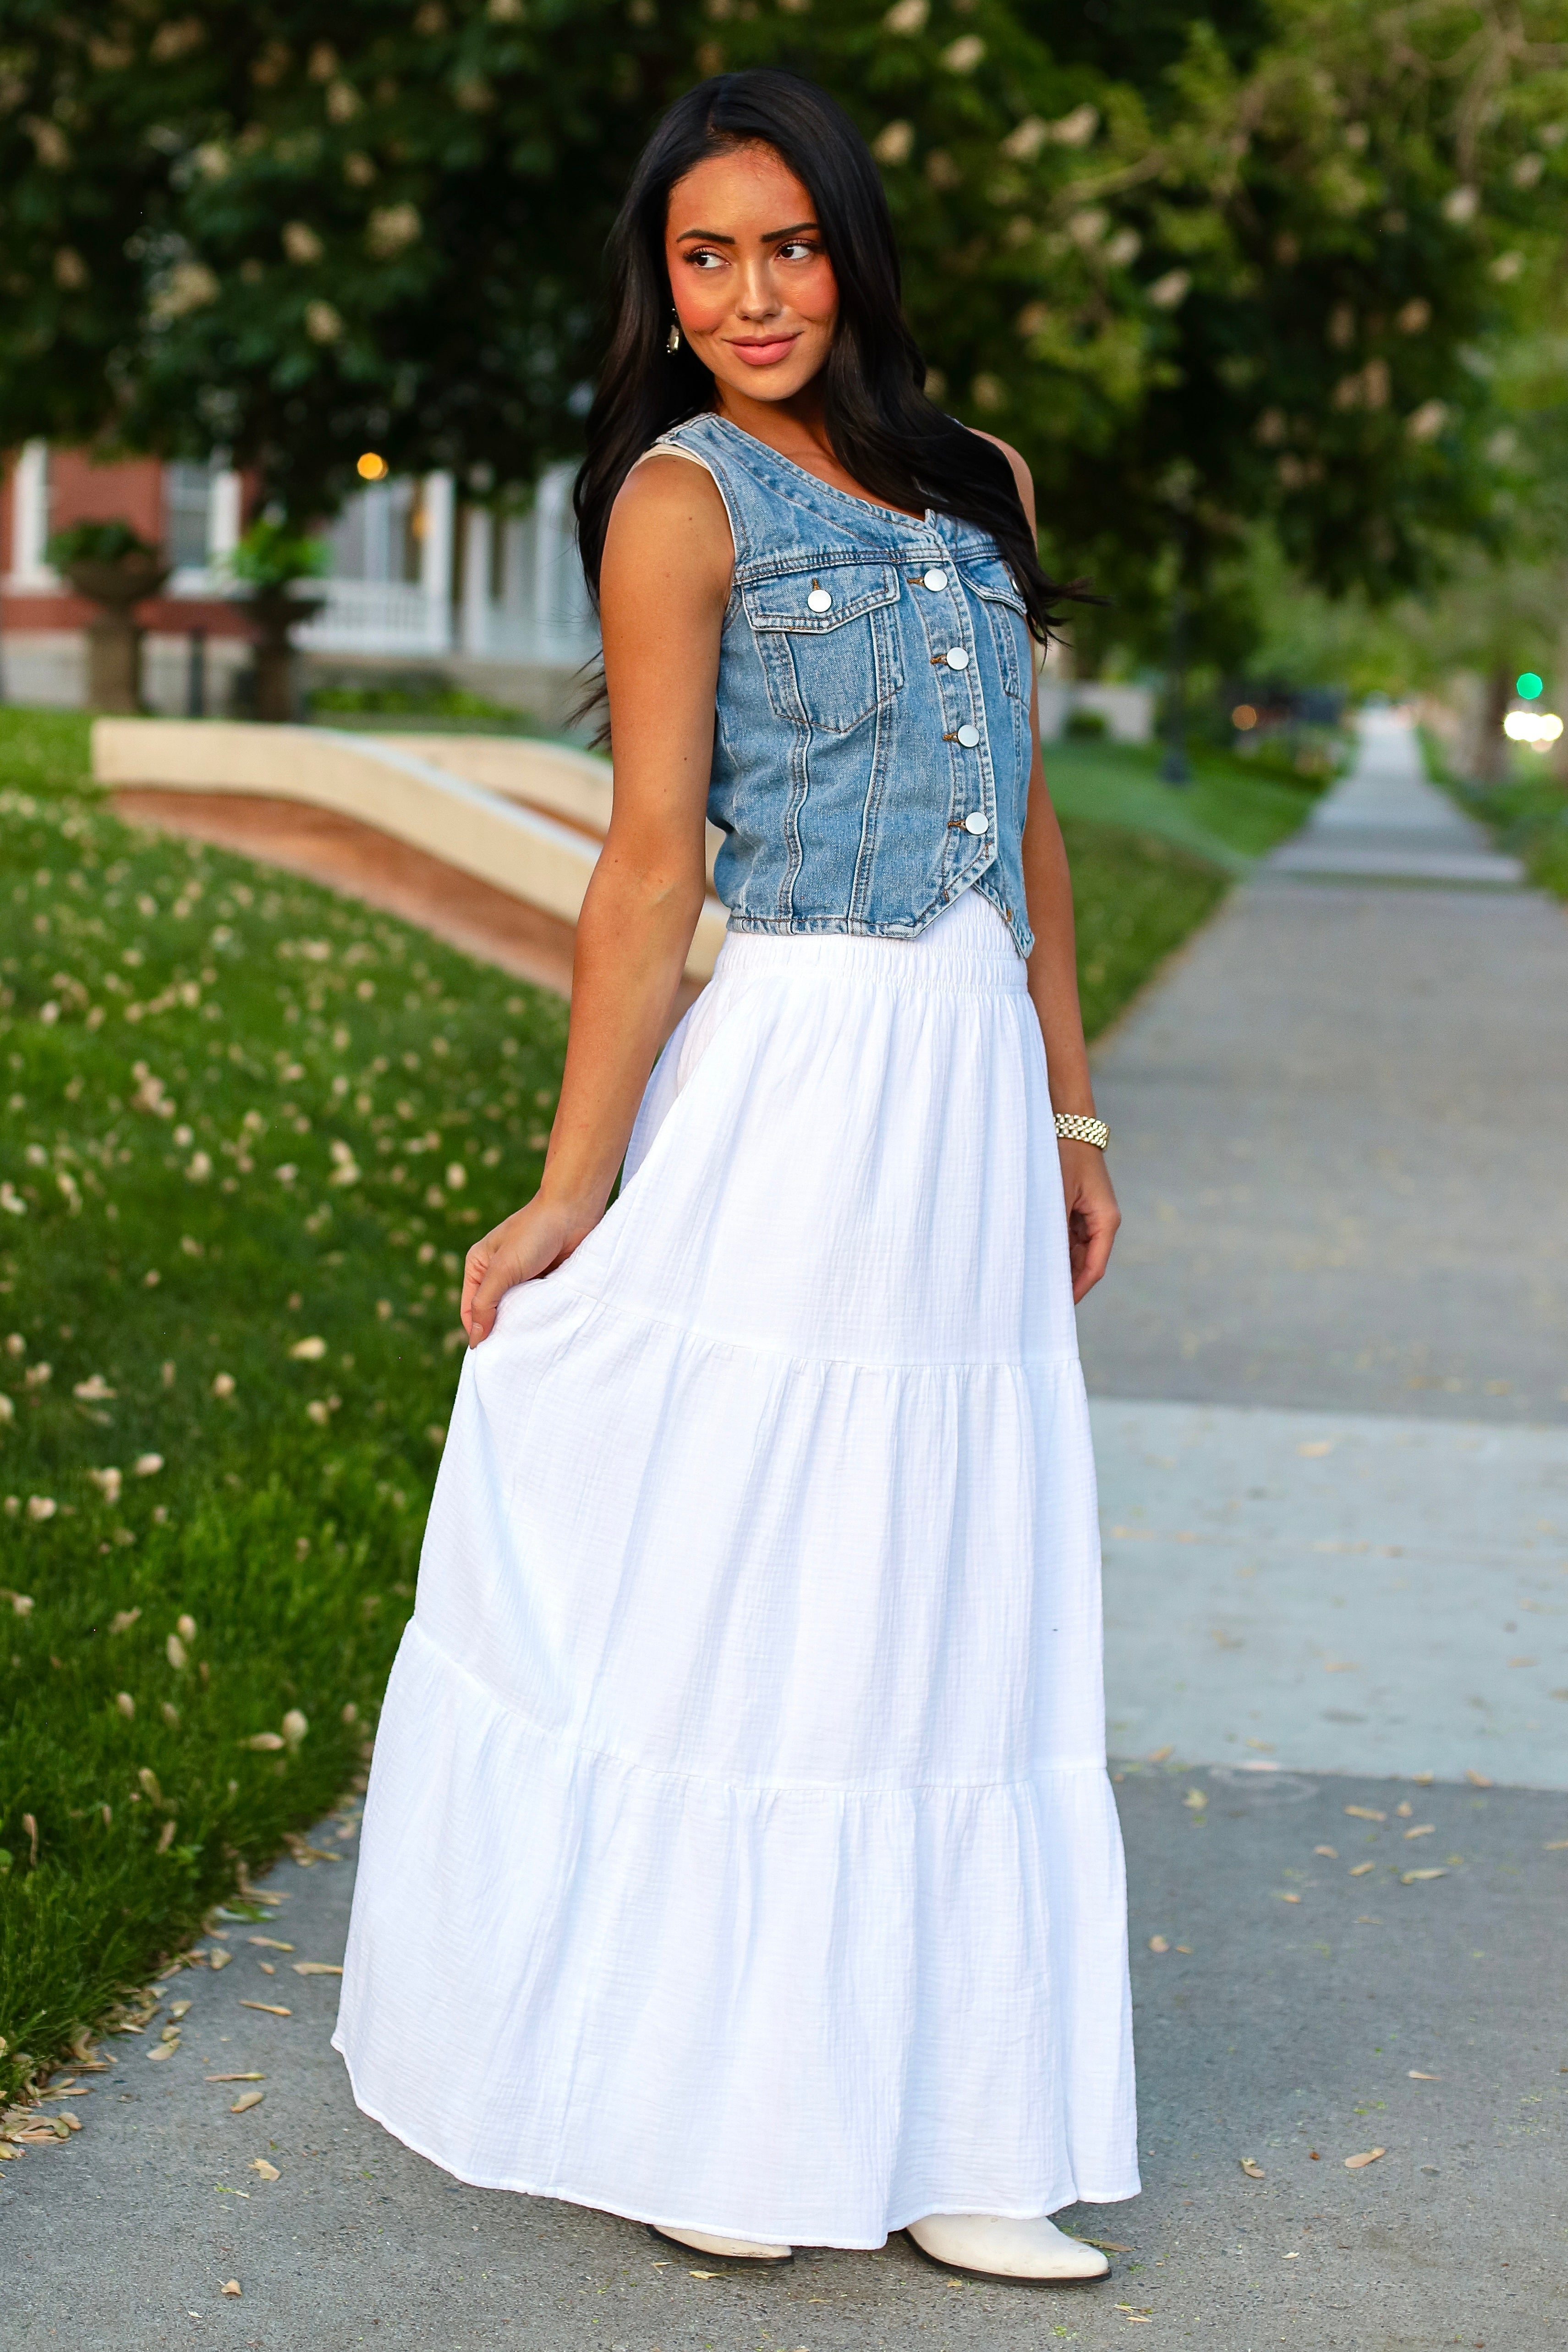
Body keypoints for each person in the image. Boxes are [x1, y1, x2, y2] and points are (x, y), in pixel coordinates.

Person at [334, 68, 1138, 2286]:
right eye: (708, 256)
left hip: (967, 1083)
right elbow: (647, 863)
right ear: (661, 285)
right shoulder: (676, 502)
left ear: (852, 255)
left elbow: (1033, 820)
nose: (754, 293)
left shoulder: (976, 479)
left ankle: (965, 2125)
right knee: (770, 1569)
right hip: (799, 1065)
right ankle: (731, 2107)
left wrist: (1068, 1109)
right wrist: (574, 1187)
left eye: (789, 246)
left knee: (954, 1586)